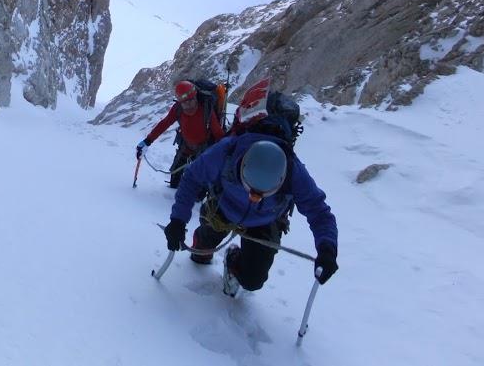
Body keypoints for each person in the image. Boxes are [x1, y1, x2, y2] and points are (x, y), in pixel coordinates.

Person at [161, 80, 338, 297]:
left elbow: (318, 210)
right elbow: (192, 178)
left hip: (264, 221)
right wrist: (178, 220)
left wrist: (327, 248)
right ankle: (204, 246)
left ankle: (233, 260)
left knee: (252, 281)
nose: (254, 197)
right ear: (241, 165)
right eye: (250, 188)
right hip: (224, 207)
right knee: (199, 253)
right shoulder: (228, 151)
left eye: (263, 192)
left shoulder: (293, 169)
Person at [135, 80, 225, 188]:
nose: (189, 104)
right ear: (180, 102)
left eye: (191, 100)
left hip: (203, 149)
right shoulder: (177, 109)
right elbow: (164, 124)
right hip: (185, 147)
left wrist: (225, 148)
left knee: (199, 188)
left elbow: (217, 132)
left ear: (196, 96)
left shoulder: (206, 109)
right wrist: (148, 141)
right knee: (174, 181)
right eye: (185, 102)